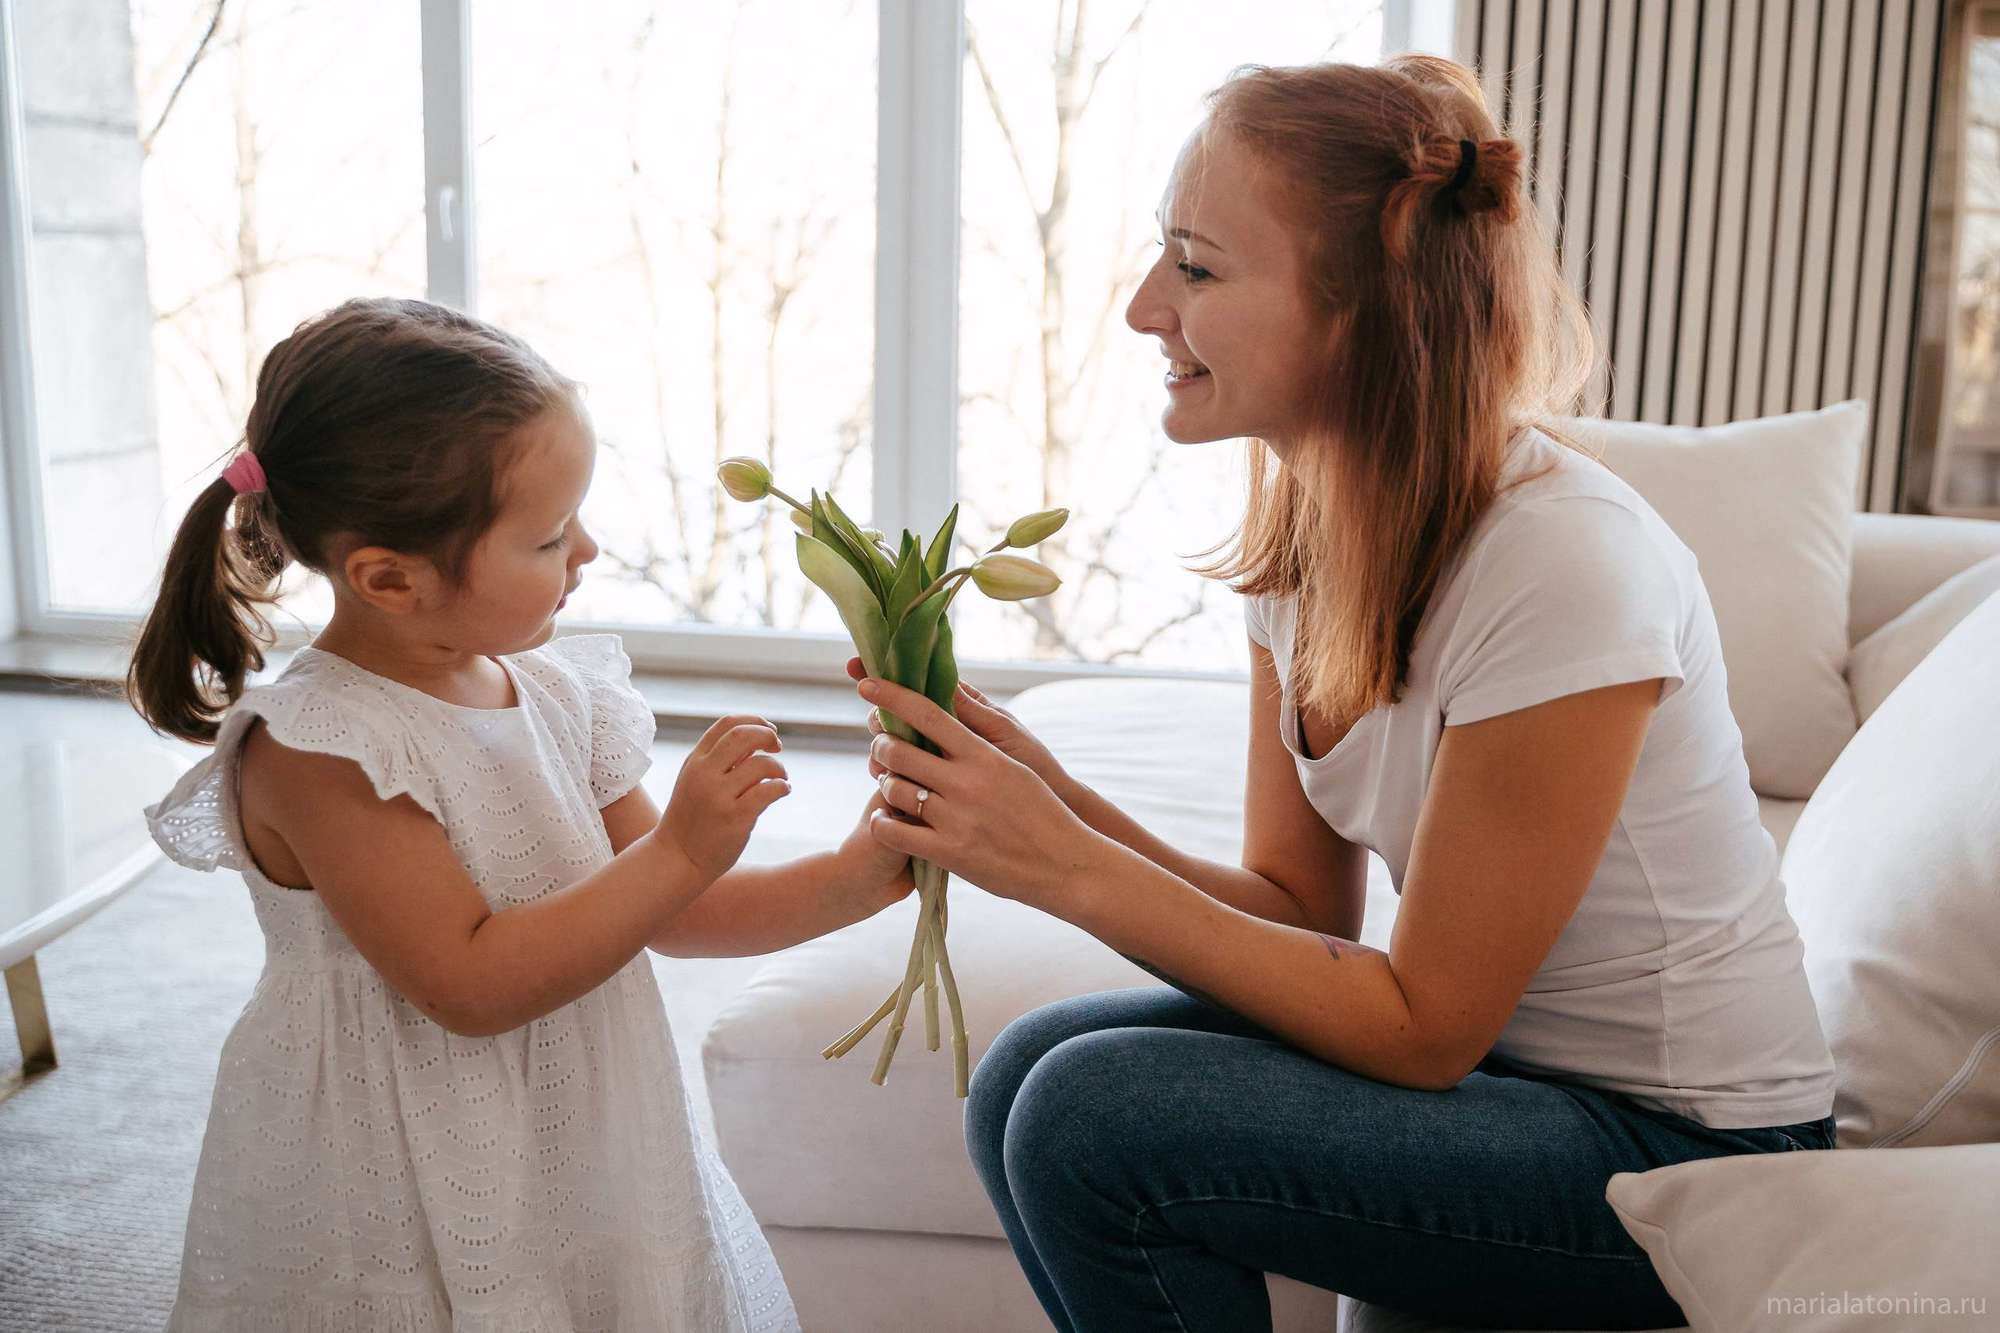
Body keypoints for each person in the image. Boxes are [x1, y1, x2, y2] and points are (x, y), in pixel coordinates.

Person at [856, 55, 1837, 1331]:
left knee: (1093, 1117)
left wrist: (1063, 867)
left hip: (1688, 1155)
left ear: (1363, 306)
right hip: (1515, 1088)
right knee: (1028, 1074)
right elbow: (1293, 908)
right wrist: (1055, 799)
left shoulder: (1561, 562)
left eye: (1196, 268)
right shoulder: (1311, 528)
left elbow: (1421, 1026)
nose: (1145, 308)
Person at [133, 297, 909, 1331]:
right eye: (548, 536)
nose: (586, 549)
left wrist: (864, 871)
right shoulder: (325, 748)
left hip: (580, 1122)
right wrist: (681, 846)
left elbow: (668, 915)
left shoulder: (553, 687)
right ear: (388, 578)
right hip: (405, 1156)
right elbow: (469, 983)